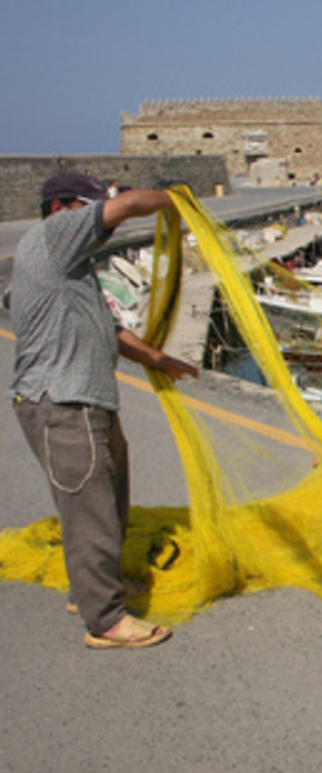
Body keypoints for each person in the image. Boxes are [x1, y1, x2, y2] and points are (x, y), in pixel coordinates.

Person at [10, 173, 199, 650]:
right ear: (59, 209)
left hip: (87, 400)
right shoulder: (53, 238)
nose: (102, 222)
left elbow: (111, 330)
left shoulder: (71, 267)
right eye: (89, 207)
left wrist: (159, 360)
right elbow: (133, 204)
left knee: (107, 501)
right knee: (89, 508)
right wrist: (174, 200)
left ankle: (93, 590)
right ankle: (107, 621)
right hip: (63, 401)